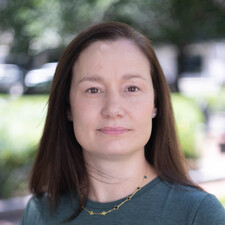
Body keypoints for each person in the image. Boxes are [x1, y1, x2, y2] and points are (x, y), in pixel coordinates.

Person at [20, 22, 225, 225]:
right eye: (93, 90)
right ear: (67, 107)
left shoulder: (198, 214)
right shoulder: (40, 214)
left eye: (132, 88)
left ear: (156, 103)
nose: (113, 109)